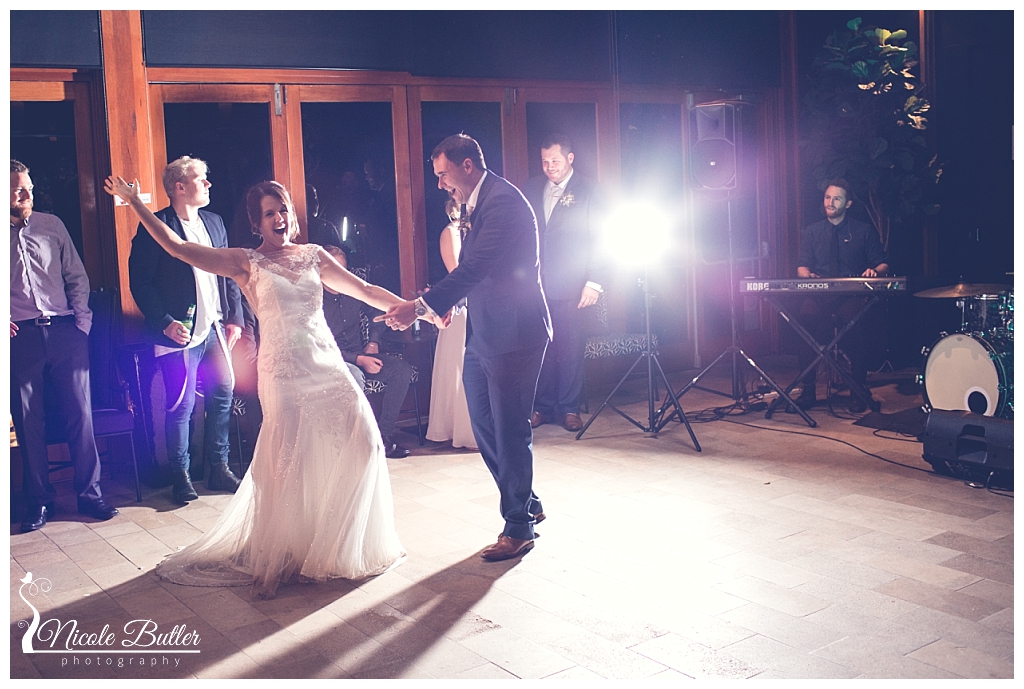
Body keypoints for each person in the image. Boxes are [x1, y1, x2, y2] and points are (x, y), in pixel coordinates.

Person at [107, 176, 419, 598]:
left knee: (363, 439)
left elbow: (363, 290)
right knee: (289, 457)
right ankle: (283, 553)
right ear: (256, 223)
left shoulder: (314, 255)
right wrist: (135, 203)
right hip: (283, 371)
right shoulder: (245, 262)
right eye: (269, 213)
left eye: (283, 209)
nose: (279, 217)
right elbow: (178, 248)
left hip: (327, 364)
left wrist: (417, 308)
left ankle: (335, 543)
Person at [377, 134, 552, 562]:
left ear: (467, 165)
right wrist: (449, 306)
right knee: (484, 423)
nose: (440, 184)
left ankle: (519, 527)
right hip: (485, 331)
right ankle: (526, 501)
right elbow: (479, 275)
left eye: (443, 174)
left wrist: (419, 308)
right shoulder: (476, 202)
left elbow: (474, 268)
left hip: (516, 334)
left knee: (509, 429)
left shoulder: (503, 202)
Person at [10, 159, 120, 532]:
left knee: (80, 415)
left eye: (28, 187)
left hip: (65, 331)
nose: (26, 194)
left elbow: (76, 275)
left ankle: (90, 495)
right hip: (20, 337)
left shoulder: (52, 225)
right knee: (28, 422)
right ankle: (39, 501)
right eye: (18, 188)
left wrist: (81, 325)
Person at [128, 156, 244, 505]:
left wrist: (235, 318)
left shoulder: (215, 222)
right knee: (181, 404)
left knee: (223, 393)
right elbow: (140, 282)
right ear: (180, 187)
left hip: (215, 327)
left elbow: (230, 272)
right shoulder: (157, 225)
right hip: (177, 333)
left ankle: (219, 468)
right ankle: (181, 475)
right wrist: (164, 322)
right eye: (201, 179)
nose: (208, 184)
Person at [522, 134, 606, 432]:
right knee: (540, 347)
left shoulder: (590, 190)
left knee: (569, 347)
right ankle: (541, 407)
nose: (550, 167)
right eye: (545, 161)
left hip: (573, 282)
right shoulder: (532, 188)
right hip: (537, 284)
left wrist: (594, 281)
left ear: (570, 158)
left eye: (555, 161)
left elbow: (602, 238)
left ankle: (569, 408)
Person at [793, 179, 889, 413]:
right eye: (827, 197)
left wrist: (873, 271)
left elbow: (883, 263)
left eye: (836, 198)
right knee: (803, 326)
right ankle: (808, 391)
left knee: (857, 330)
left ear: (848, 204)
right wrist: (807, 276)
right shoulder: (812, 232)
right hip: (819, 294)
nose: (830, 202)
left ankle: (857, 391)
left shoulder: (863, 231)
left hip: (850, 294)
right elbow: (802, 266)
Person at [321, 244, 414, 459]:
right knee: (355, 377)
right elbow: (318, 346)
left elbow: (377, 312)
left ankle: (383, 437)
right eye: (334, 270)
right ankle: (358, 442)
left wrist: (373, 341)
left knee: (401, 370)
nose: (339, 275)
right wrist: (358, 359)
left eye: (343, 270)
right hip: (332, 360)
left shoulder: (353, 292)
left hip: (361, 353)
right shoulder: (315, 301)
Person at [425, 196, 477, 451]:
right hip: (461, 306)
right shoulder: (450, 233)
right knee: (460, 366)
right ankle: (461, 431)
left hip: (479, 305)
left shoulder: (477, 233)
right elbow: (458, 274)